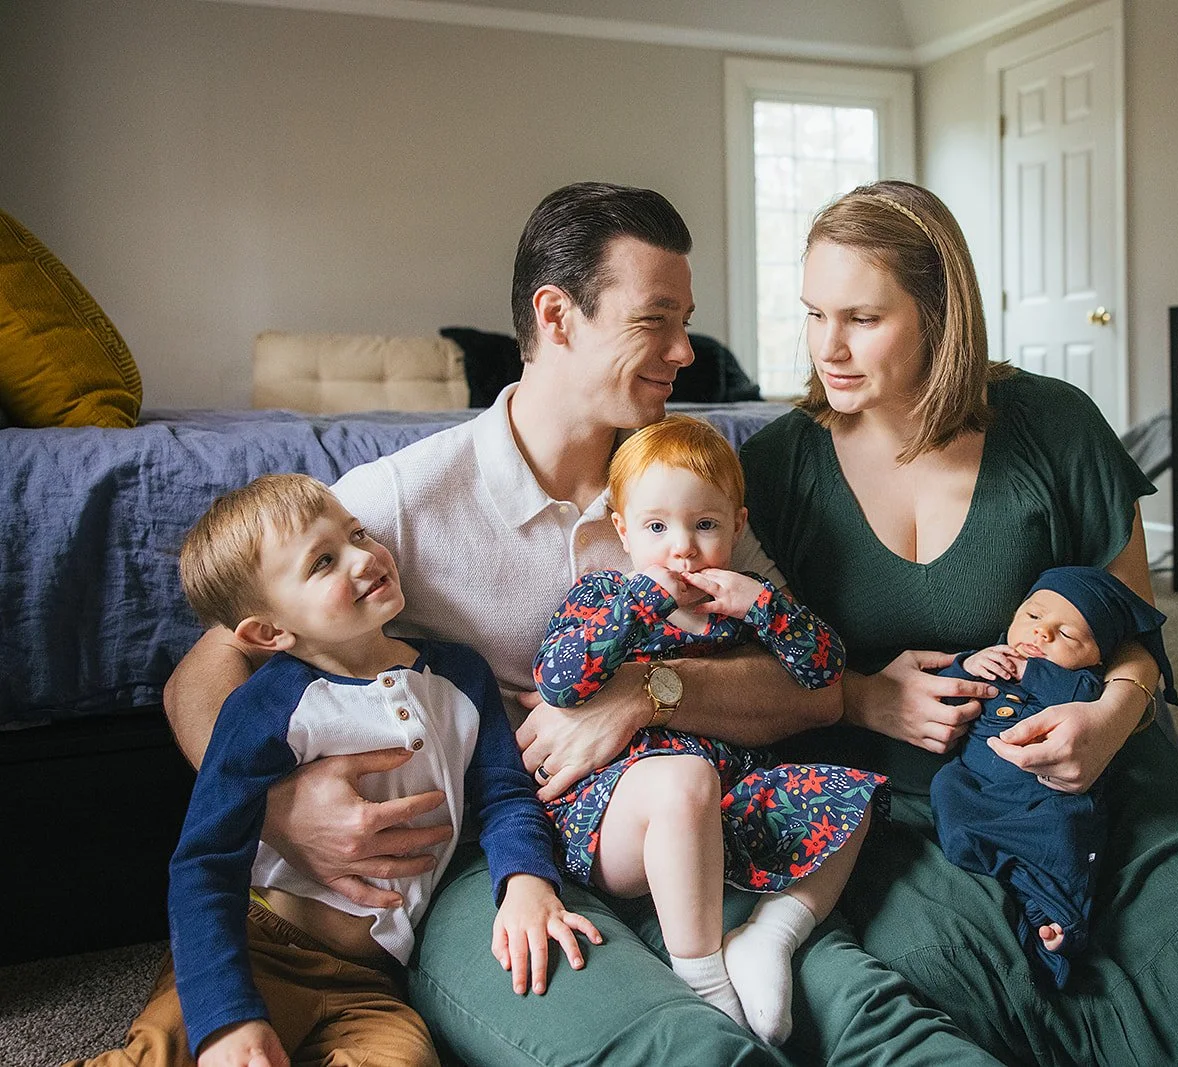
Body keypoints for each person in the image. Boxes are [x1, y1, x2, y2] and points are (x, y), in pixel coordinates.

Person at [164, 182, 1004, 1066]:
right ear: (556, 316)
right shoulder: (391, 508)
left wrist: (645, 694)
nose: (684, 351)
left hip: (692, 820)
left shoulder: (677, 490)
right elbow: (205, 674)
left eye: (687, 320)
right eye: (655, 321)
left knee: (864, 1011)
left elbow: (805, 684)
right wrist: (277, 808)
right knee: (688, 1045)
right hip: (501, 859)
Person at [739, 180, 1178, 1064]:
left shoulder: (1053, 425)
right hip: (907, 798)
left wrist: (1107, 721)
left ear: (940, 314)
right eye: (812, 314)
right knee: (971, 1002)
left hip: (1088, 765)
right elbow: (749, 665)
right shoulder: (778, 468)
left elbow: (1134, 630)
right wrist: (860, 698)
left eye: (861, 318)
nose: (827, 348)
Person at [82, 475, 596, 1067]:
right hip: (263, 949)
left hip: (372, 979)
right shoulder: (265, 708)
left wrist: (527, 881)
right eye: (324, 561)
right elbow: (205, 863)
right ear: (269, 632)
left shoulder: (460, 675)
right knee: (164, 1055)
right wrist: (227, 1020)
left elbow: (505, 795)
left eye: (358, 534)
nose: (365, 557)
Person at [533, 414, 887, 1043]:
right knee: (683, 779)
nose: (683, 548)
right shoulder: (605, 597)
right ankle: (700, 978)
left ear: (736, 526)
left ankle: (770, 935)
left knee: (855, 795)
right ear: (622, 529)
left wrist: (766, 607)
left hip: (723, 812)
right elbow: (560, 681)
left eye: (704, 525)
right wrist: (644, 599)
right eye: (656, 527)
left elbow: (825, 671)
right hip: (618, 815)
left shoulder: (742, 609)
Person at [929, 565, 1178, 990]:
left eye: (1066, 636)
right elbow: (943, 687)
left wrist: (1031, 673)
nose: (1041, 634)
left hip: (1047, 795)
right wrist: (966, 663)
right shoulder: (991, 657)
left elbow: (1082, 697)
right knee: (946, 792)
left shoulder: (1081, 681)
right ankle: (1000, 868)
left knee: (1067, 838)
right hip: (977, 782)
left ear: (1097, 657)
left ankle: (1059, 917)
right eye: (1032, 617)